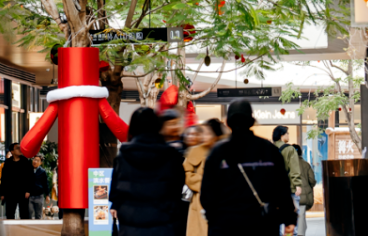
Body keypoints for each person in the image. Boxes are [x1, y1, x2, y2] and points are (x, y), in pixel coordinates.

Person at [201, 100, 296, 236]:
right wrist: (289, 218)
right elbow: (282, 188)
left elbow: (207, 194)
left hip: (226, 225)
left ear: (227, 123)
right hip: (263, 224)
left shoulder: (217, 152)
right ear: (252, 121)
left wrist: (215, 219)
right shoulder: (269, 150)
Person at [108, 107, 185, 236]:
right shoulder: (171, 156)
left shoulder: (123, 156)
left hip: (131, 224)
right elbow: (177, 189)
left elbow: (115, 191)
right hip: (162, 224)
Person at [184, 119, 224, 236]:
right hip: (198, 201)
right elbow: (186, 172)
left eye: (207, 133)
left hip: (221, 201)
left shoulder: (225, 151)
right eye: (203, 133)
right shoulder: (195, 151)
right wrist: (204, 183)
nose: (204, 136)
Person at [0, 142, 34, 219]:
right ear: (12, 151)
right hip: (10, 192)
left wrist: (28, 190)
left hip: (23, 191)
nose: (20, 150)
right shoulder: (7, 163)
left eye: (20, 148)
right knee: (10, 213)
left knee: (24, 213)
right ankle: (10, 227)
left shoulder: (26, 162)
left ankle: (24, 226)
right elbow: (4, 179)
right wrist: (2, 193)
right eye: (17, 148)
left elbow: (30, 177)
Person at [272, 126, 303, 208]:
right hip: (288, 187)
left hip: (272, 188)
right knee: (293, 211)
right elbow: (294, 168)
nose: (288, 135)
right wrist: (297, 185)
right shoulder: (290, 149)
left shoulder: (268, 148)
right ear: (282, 135)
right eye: (287, 133)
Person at [292, 145, 316, 236]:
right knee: (301, 216)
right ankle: (301, 234)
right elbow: (312, 180)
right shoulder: (306, 164)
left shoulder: (287, 164)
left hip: (292, 193)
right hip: (303, 194)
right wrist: (309, 187)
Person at [30, 155, 50, 220]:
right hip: (29, 195)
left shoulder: (42, 171)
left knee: (38, 215)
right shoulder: (28, 169)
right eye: (34, 159)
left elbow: (45, 184)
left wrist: (47, 195)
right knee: (29, 213)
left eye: (37, 160)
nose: (35, 161)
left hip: (39, 196)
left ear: (40, 163)